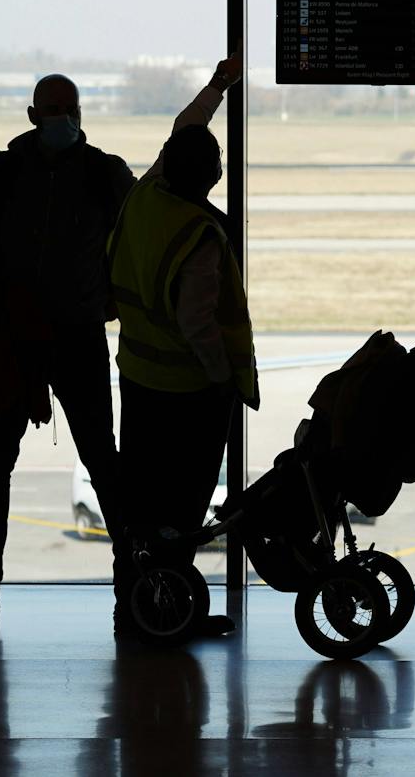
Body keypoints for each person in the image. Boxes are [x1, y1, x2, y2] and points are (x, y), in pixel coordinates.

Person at [0, 74, 138, 629]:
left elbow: (140, 234)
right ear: (33, 114)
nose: (62, 118)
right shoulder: (5, 169)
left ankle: (129, 580)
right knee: (2, 460)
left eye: (68, 109)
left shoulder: (103, 172)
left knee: (99, 459)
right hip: (13, 341)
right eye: (54, 110)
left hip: (72, 335)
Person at [108, 57, 258, 638]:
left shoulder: (146, 194)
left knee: (142, 502)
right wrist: (223, 377)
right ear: (215, 176)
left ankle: (137, 605)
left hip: (137, 377)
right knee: (182, 507)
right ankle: (172, 609)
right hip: (188, 391)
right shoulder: (199, 233)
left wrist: (217, 87)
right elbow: (198, 325)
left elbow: (184, 128)